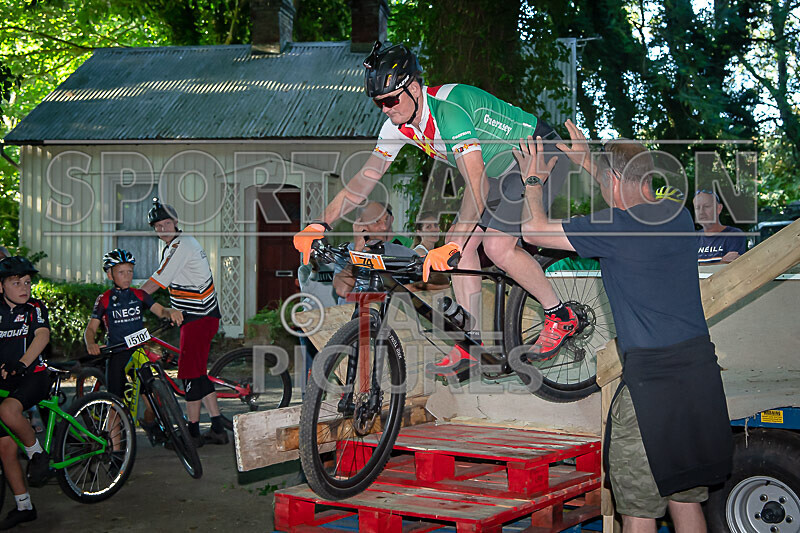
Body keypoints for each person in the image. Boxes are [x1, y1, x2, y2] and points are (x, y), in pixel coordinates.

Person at [294, 42, 575, 379]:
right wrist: (319, 223)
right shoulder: (398, 126)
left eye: (390, 100)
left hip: (537, 152)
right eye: (378, 103)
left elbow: (477, 187)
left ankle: (560, 315)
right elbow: (362, 182)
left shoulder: (449, 112)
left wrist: (451, 242)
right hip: (499, 172)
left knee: (494, 247)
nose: (384, 109)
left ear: (414, 88)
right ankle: (470, 343)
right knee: (464, 250)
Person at [516, 122, 733, 532]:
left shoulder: (614, 227)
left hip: (652, 387)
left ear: (615, 181)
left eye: (604, 183)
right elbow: (624, 181)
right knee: (684, 499)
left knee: (638, 509)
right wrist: (590, 164)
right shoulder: (678, 217)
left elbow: (533, 232)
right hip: (699, 378)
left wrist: (533, 182)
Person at [139, 198, 228, 446]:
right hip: (198, 316)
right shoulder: (174, 246)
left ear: (176, 222)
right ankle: (218, 426)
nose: (163, 228)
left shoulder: (182, 245)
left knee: (188, 374)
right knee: (198, 373)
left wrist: (134, 296)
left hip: (199, 317)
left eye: (167, 223)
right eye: (158, 226)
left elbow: (158, 280)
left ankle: (192, 432)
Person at [84, 249, 183, 422]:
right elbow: (91, 328)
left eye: (130, 271)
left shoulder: (139, 295)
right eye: (121, 272)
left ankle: (155, 427)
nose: (127, 276)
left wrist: (171, 312)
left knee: (153, 398)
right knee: (115, 404)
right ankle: (114, 446)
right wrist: (90, 343)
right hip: (117, 352)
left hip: (138, 350)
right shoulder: (104, 299)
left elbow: (160, 310)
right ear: (110, 275)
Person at [0, 257, 52, 529]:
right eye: (15, 282)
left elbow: (41, 336)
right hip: (7, 380)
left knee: (8, 410)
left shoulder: (35, 308)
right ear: (1, 286)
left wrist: (21, 365)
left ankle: (37, 454)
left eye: (27, 282)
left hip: (33, 376)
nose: (24, 287)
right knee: (5, 447)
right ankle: (24, 506)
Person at [693, 190, 746, 264]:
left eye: (706, 206)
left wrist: (699, 266)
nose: (701, 212)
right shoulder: (691, 239)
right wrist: (722, 262)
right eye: (697, 208)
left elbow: (732, 269)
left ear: (719, 208)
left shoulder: (734, 235)